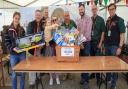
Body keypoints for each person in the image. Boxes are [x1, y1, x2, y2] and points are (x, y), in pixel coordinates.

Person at [104, 3, 125, 89]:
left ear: (115, 9)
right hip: (107, 46)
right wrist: (104, 44)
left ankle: (114, 84)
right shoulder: (108, 20)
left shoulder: (120, 20)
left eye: (112, 9)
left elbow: (122, 34)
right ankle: (108, 78)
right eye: (109, 9)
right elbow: (106, 33)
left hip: (115, 46)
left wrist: (120, 47)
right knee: (108, 64)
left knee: (115, 65)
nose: (111, 11)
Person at [4, 12, 26, 89]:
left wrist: (25, 46)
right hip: (13, 55)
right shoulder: (8, 29)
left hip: (22, 54)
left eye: (18, 18)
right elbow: (6, 42)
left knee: (23, 73)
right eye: (16, 18)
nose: (17, 20)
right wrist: (12, 48)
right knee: (14, 74)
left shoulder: (22, 29)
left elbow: (25, 41)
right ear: (13, 18)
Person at [27, 10, 45, 89]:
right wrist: (35, 44)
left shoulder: (42, 25)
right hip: (32, 49)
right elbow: (29, 36)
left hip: (40, 49)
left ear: (41, 16)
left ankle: (38, 78)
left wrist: (42, 45)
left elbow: (44, 36)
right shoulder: (31, 24)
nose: (38, 16)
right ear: (35, 15)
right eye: (37, 15)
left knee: (39, 64)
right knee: (31, 66)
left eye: (39, 15)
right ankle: (31, 82)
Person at [77, 3, 92, 89]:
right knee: (81, 61)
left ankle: (86, 81)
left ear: (84, 9)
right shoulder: (78, 19)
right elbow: (78, 32)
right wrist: (79, 42)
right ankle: (83, 78)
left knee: (85, 62)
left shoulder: (88, 19)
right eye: (79, 10)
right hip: (80, 43)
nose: (81, 11)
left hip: (86, 43)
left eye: (82, 9)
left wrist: (82, 42)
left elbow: (87, 32)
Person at [90, 5, 106, 86]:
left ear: (97, 10)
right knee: (92, 60)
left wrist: (100, 43)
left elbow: (103, 32)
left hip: (97, 43)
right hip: (91, 43)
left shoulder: (101, 19)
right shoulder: (90, 19)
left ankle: (98, 78)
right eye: (92, 9)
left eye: (95, 9)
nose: (94, 10)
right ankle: (93, 73)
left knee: (98, 61)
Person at [61, 11, 77, 80]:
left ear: (69, 16)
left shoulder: (73, 22)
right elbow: (60, 35)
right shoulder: (62, 24)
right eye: (65, 16)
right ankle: (64, 74)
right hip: (64, 45)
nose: (66, 17)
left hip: (71, 44)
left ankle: (70, 73)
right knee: (64, 60)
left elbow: (76, 32)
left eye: (67, 15)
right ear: (64, 17)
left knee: (70, 59)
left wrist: (76, 42)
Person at [44, 17, 60, 85]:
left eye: (50, 22)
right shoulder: (47, 28)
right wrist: (56, 25)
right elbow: (54, 26)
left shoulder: (52, 28)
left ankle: (57, 77)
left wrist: (57, 26)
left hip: (53, 47)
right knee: (49, 63)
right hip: (48, 48)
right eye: (48, 22)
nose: (49, 23)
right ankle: (51, 77)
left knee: (55, 62)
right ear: (46, 23)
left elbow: (57, 34)